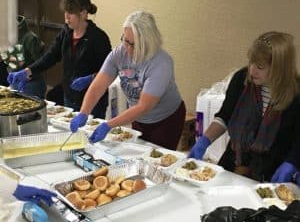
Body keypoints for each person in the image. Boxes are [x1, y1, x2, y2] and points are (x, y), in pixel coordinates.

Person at [189, 31, 300, 182]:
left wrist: (292, 164)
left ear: (279, 69)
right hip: (235, 162)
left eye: (260, 66)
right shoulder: (242, 79)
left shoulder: (296, 94)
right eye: (251, 62)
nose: (252, 70)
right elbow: (224, 116)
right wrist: (205, 140)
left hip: (272, 171)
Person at [70, 10, 186, 150]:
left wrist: (109, 125)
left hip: (166, 119)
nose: (128, 48)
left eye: (135, 44)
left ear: (148, 42)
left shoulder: (161, 63)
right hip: (138, 118)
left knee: (156, 161)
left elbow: (144, 106)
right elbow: (98, 86)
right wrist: (83, 112)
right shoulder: (119, 53)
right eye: (126, 41)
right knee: (137, 155)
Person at [7, 0, 111, 119]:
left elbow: (110, 70)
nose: (66, 17)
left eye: (71, 13)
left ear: (83, 13)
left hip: (94, 100)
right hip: (70, 95)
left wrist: (91, 78)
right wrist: (26, 71)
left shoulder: (98, 37)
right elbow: (50, 57)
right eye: (65, 12)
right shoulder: (66, 33)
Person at [1, 15, 46, 99]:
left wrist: (27, 76)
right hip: (14, 81)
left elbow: (42, 64)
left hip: (31, 84)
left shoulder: (30, 38)